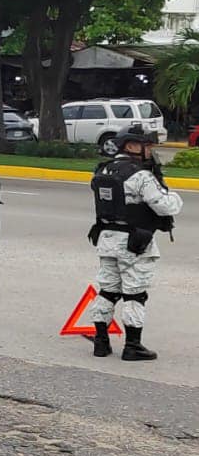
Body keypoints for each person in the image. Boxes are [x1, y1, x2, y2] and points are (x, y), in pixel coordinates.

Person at [81, 126, 183, 360]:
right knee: (135, 294)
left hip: (106, 238)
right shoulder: (139, 175)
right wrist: (174, 197)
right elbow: (164, 205)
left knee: (107, 290)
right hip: (134, 242)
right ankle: (133, 346)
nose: (150, 151)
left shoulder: (103, 169)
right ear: (131, 146)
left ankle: (100, 341)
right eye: (146, 146)